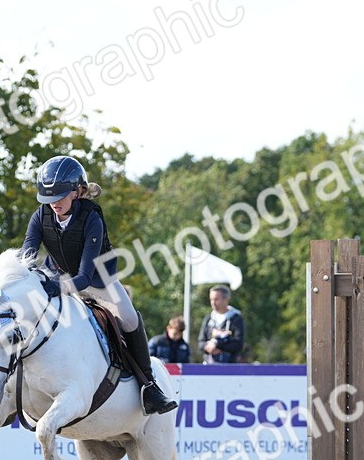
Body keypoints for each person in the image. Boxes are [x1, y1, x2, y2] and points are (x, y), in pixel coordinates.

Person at [20, 155, 176, 415]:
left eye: (59, 196)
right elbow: (26, 258)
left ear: (76, 192)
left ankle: (149, 387)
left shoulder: (92, 218)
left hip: (98, 280)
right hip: (58, 275)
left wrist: (59, 288)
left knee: (129, 319)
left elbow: (84, 276)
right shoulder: (40, 216)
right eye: (48, 198)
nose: (53, 203)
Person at [198, 286, 246, 363]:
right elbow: (201, 342)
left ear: (226, 299)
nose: (213, 303)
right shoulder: (209, 318)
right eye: (211, 299)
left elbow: (238, 344)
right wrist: (208, 347)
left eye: (216, 299)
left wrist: (218, 346)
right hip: (209, 364)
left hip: (229, 365)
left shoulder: (236, 319)